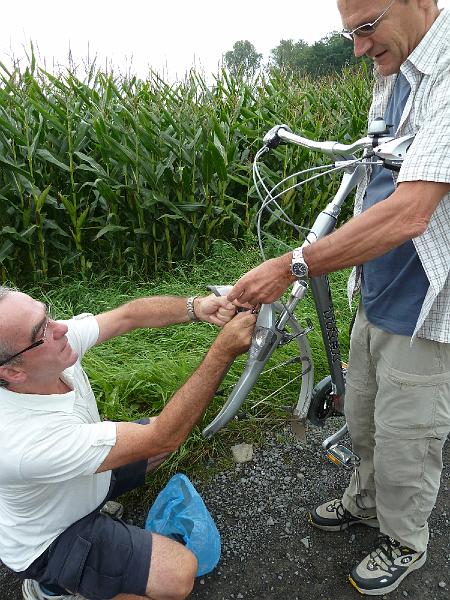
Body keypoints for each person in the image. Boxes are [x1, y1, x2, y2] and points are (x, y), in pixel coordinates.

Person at [228, 0, 450, 595]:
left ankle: (406, 539)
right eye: (349, 33)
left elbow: (409, 213)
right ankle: (366, 499)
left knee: (409, 435)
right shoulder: (396, 69)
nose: (358, 48)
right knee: (363, 416)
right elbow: (377, 163)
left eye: (366, 28)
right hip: (377, 288)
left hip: (427, 306)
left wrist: (295, 263)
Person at [0, 285, 257, 600]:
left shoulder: (50, 350)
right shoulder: (22, 442)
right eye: (42, 330)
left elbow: (127, 316)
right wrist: (223, 350)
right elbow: (164, 433)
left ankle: (90, 530)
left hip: (72, 484)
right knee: (179, 574)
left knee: (157, 445)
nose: (62, 327)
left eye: (47, 314)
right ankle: (53, 588)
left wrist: (196, 307)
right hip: (49, 539)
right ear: (12, 371)